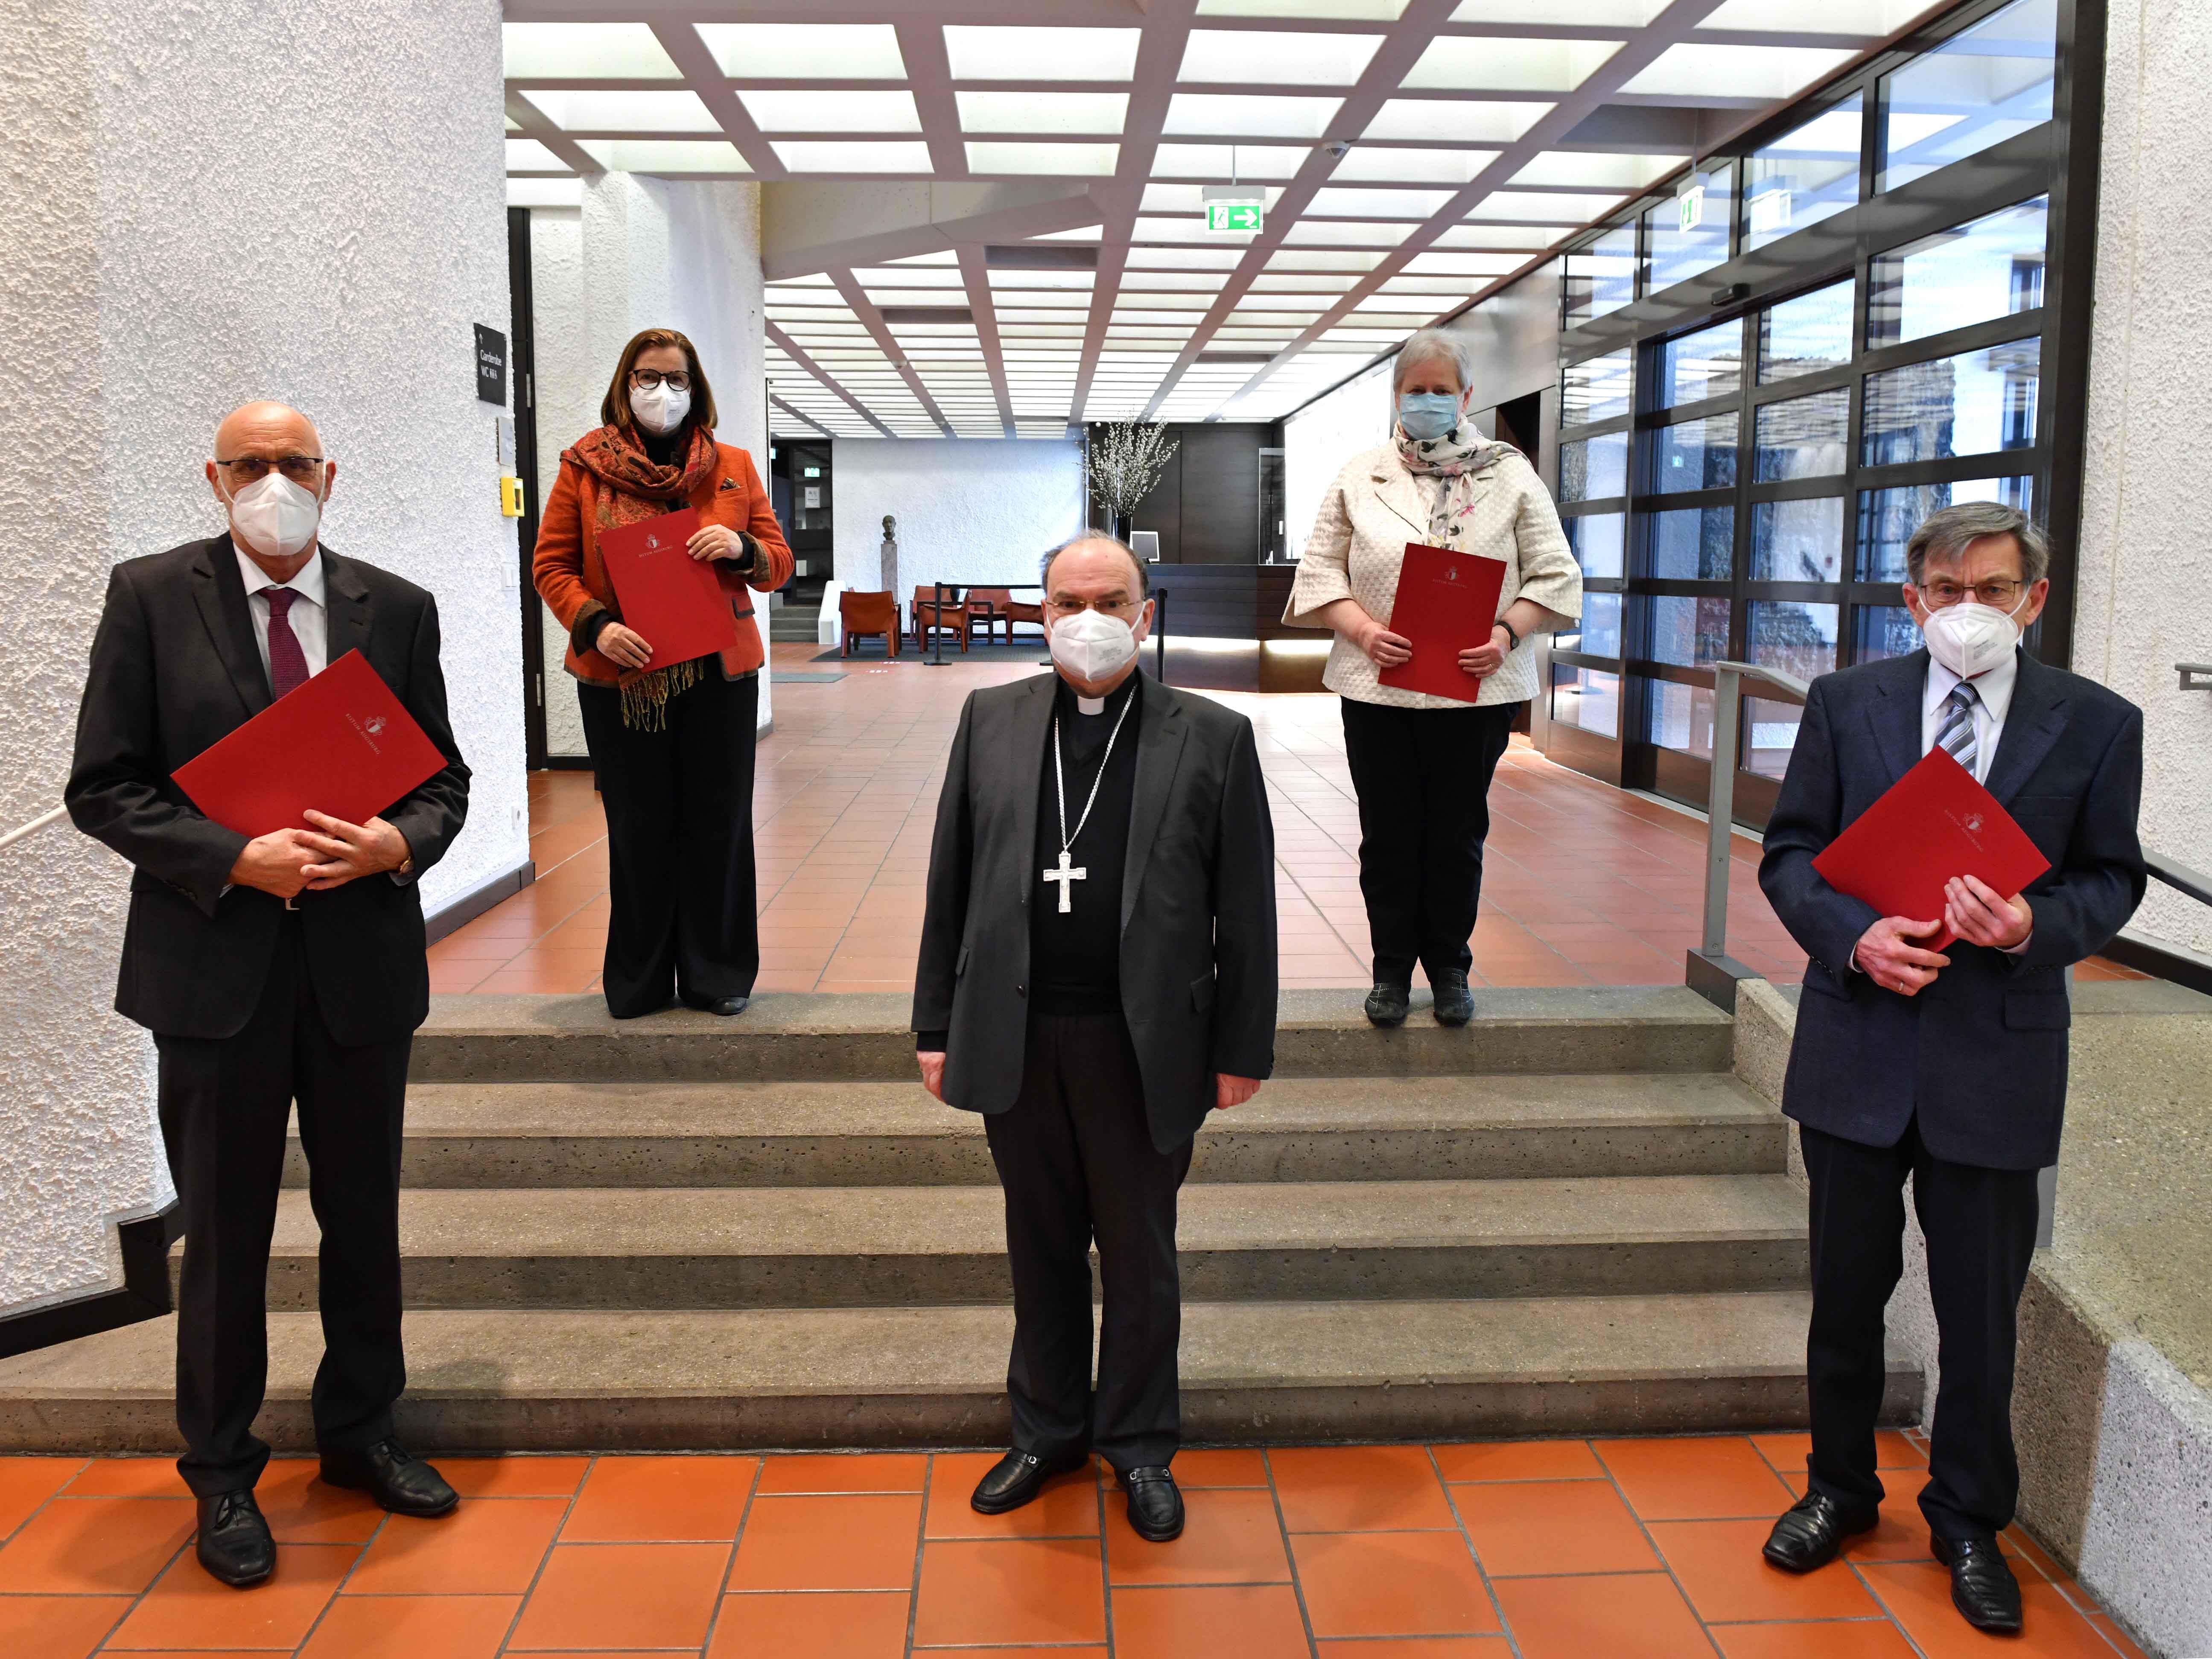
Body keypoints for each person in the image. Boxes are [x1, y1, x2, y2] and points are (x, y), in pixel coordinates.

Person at [66, 402, 472, 1588]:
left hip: (359, 970)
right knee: (228, 1235)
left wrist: (395, 844)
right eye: (251, 464)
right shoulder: (149, 598)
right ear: (214, 478)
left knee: (363, 1223)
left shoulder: (391, 609)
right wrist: (234, 859)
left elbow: (442, 777)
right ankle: (223, 1474)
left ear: (330, 474)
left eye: (295, 462)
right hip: (215, 976)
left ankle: (360, 1434)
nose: (274, 481)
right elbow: (105, 787)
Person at [1755, 502, 2145, 1635]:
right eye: (1942, 588)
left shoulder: (2095, 723)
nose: (1963, 610)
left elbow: (2110, 880)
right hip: (1856, 1042)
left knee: (1979, 1314)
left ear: (2032, 597)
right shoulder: (1845, 704)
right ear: (1908, 597)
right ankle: (1835, 1489)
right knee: (1842, 1296)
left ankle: (1968, 1518)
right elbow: (1788, 854)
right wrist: (1849, 937)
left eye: (1990, 588)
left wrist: (2030, 923)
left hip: (1996, 1058)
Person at [912, 535, 1277, 1544]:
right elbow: (951, 882)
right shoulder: (989, 719)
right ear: (1041, 615)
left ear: (1143, 613)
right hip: (1016, 1032)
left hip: (1141, 1043)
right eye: (1068, 599)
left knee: (1138, 1254)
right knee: (1038, 1249)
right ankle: (1045, 1432)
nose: (1088, 616)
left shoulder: (1210, 734)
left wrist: (1242, 1046)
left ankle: (1142, 1446)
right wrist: (934, 1024)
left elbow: (1244, 910)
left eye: (1109, 598)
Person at [1284, 327, 1580, 1028]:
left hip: (1477, 690)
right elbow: (1320, 569)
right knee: (1387, 833)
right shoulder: (1360, 474)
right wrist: (1361, 629)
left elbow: (1555, 574)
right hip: (1376, 688)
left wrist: (1507, 632)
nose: (1426, 401)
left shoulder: (1508, 474)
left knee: (1455, 833)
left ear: (1466, 397)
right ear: (1395, 395)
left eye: (1439, 391)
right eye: (1414, 390)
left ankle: (1449, 967)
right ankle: (1390, 970)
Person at [533, 328, 794, 1018]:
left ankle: (718, 974)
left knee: (718, 825)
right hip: (623, 679)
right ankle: (640, 980)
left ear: (696, 388)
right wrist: (596, 625)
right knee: (639, 827)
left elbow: (778, 561)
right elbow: (551, 567)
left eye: (676, 380)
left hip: (719, 675)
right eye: (647, 378)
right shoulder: (582, 468)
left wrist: (741, 546)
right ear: (624, 386)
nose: (662, 392)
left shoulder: (731, 464)